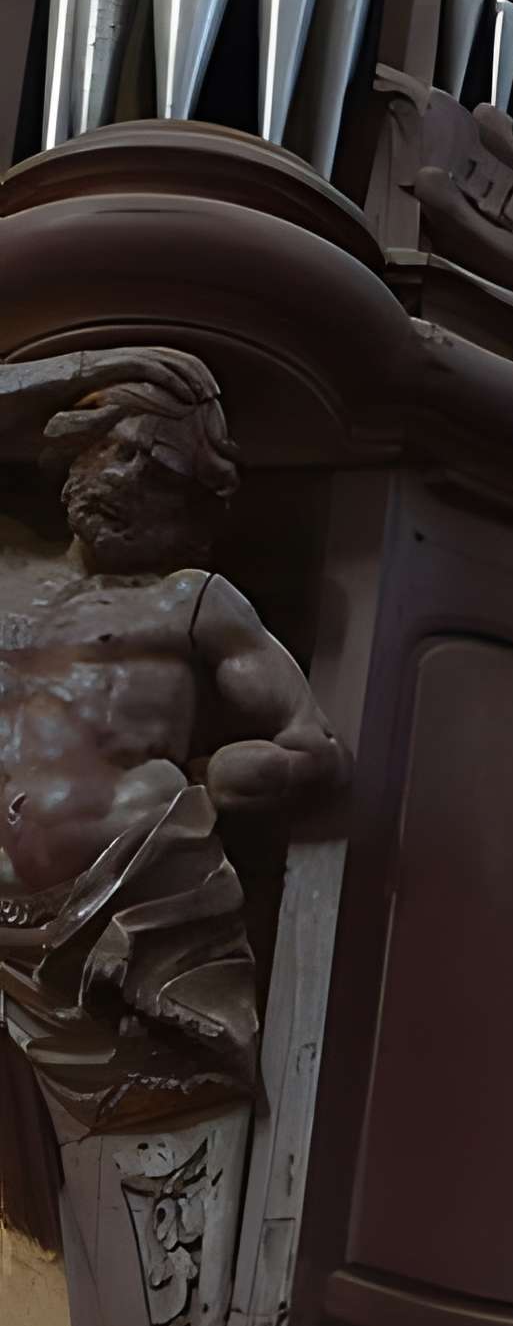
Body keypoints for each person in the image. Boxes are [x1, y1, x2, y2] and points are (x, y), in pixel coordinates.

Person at [0, 348, 345, 1133]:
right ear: (76, 446)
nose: (125, 479)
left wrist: (217, 779)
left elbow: (313, 746)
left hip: (113, 917)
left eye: (158, 472)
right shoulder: (6, 565)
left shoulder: (192, 602)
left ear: (190, 505)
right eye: (115, 449)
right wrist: (79, 369)